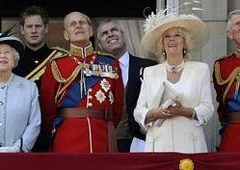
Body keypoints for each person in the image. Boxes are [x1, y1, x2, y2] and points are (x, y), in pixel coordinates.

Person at [40, 11, 123, 153]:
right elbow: (47, 110)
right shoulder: (55, 65)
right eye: (73, 24)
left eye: (82, 23)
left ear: (91, 31)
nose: (78, 26)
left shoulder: (111, 63)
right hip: (67, 137)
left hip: (101, 136)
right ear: (66, 35)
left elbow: (117, 108)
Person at [134, 12, 214, 153]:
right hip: (158, 145)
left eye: (177, 35)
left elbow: (207, 108)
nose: (172, 39)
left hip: (190, 144)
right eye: (167, 36)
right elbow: (139, 111)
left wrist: (183, 111)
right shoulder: (149, 72)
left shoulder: (200, 69)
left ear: (184, 43)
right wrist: (156, 113)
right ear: (162, 44)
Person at [96, 19, 156, 152]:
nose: (110, 34)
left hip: (141, 141)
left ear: (123, 35)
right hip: (105, 141)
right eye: (104, 33)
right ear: (99, 44)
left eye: (114, 30)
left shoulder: (149, 67)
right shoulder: (93, 73)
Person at [14, 4, 64, 152]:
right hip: (20, 129)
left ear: (46, 28)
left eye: (38, 26)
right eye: (29, 26)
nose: (34, 30)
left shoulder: (59, 59)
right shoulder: (13, 62)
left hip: (51, 128)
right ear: (22, 30)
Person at [214, 9, 240, 151]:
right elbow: (222, 107)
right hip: (234, 135)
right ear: (230, 34)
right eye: (238, 24)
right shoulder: (222, 66)